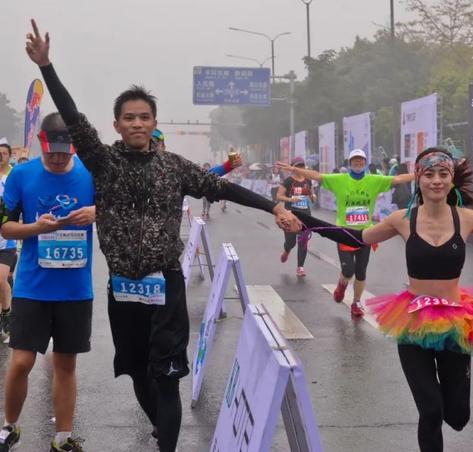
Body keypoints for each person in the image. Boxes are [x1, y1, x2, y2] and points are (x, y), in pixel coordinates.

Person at [25, 20, 301, 452]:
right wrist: (47, 66)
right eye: (129, 117)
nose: (137, 123)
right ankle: (162, 428)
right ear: (117, 125)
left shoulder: (174, 166)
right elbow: (74, 116)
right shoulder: (103, 161)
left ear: (154, 123)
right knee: (138, 373)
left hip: (165, 284)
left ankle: (167, 444)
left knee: (167, 378)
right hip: (124, 289)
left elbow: (222, 187)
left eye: (145, 117)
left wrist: (275, 206)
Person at [293, 147, 473, 452]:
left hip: (455, 324)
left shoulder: (467, 219)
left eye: (443, 174)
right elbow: (356, 237)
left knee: (457, 416)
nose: (436, 181)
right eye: (429, 175)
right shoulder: (402, 220)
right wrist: (305, 222)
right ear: (418, 178)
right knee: (430, 412)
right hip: (413, 323)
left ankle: (452, 396)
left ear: (452, 180)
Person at [0, 112, 96, 452]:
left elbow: (119, 208)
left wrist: (97, 211)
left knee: (65, 364)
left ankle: (62, 437)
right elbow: (4, 226)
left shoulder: (91, 173)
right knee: (21, 363)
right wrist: (35, 229)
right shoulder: (21, 175)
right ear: (41, 143)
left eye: (63, 152)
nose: (57, 158)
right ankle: (9, 427)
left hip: (75, 289)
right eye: (51, 152)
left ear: (73, 148)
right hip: (32, 286)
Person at [277, 149, 413, 317]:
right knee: (348, 271)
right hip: (344, 233)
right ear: (350, 163)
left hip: (366, 233)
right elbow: (317, 176)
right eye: (355, 161)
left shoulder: (374, 180)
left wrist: (420, 174)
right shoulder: (340, 180)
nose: (358, 163)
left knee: (361, 271)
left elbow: (398, 179)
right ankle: (342, 285)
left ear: (364, 163)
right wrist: (294, 170)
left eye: (361, 161)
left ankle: (356, 302)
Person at [277, 156, 316, 277]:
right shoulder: (288, 181)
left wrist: (313, 196)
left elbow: (312, 196)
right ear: (292, 168)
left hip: (305, 215)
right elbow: (279, 196)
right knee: (291, 242)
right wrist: (290, 199)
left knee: (303, 241)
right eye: (297, 166)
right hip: (290, 214)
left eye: (301, 166)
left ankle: (300, 267)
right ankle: (287, 250)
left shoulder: (308, 181)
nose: (300, 168)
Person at [0, 142, 16, 342]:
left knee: (1, 278)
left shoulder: (14, 176)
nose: (0, 156)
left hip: (6, 238)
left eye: (4, 154)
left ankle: (7, 316)